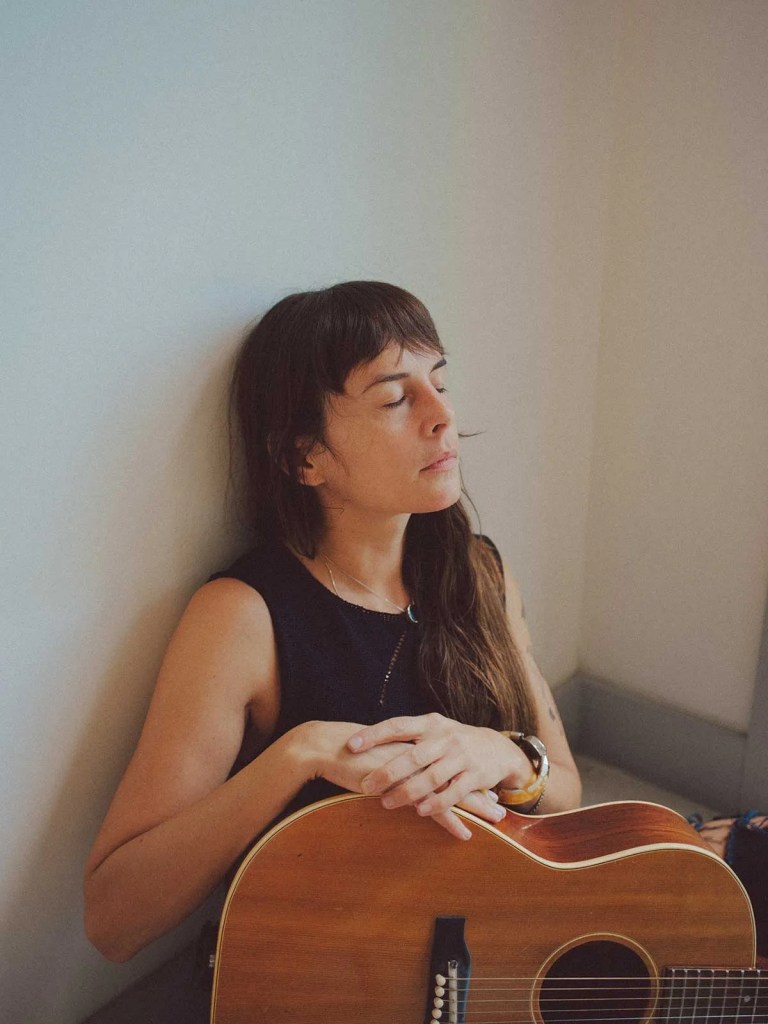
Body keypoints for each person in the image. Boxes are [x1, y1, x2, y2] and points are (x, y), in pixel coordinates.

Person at [82, 280, 581, 1021]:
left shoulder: (479, 574)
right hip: (302, 984)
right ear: (305, 456)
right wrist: (296, 756)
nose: (443, 417)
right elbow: (114, 918)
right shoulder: (242, 617)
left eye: (439, 383)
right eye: (394, 398)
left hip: (473, 964)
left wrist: (508, 756)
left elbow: (569, 795)